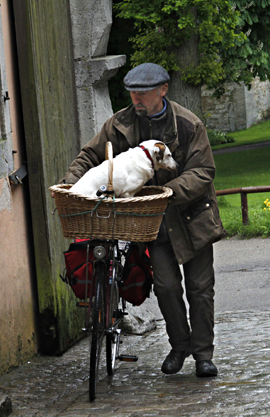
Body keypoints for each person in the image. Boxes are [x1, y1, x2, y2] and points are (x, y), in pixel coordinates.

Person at [60, 63, 226, 377]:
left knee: (200, 289)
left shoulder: (189, 125)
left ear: (163, 90)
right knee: (165, 288)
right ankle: (179, 347)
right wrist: (71, 183)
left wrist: (164, 192)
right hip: (153, 225)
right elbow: (91, 156)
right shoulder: (119, 124)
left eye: (144, 93)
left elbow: (203, 171)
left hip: (193, 219)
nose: (137, 99)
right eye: (133, 92)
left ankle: (203, 355)